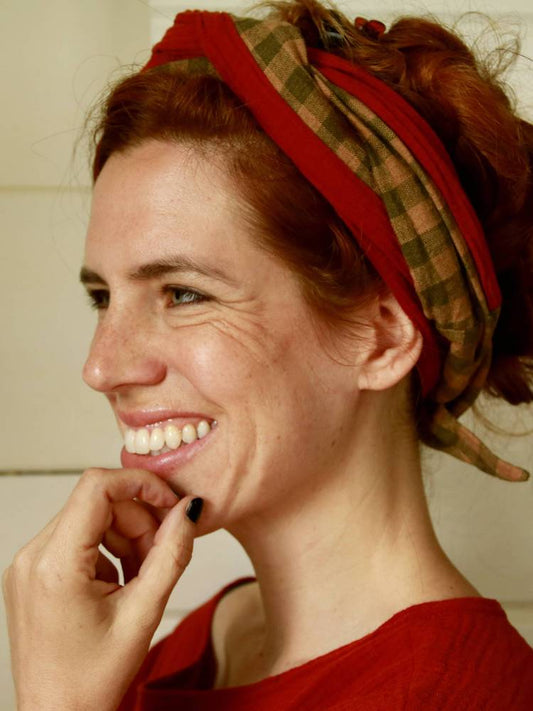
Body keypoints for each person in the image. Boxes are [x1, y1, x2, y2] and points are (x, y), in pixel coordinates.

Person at [3, 0, 533, 708]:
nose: (102, 367)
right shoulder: (200, 642)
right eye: (103, 296)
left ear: (382, 335)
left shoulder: (462, 694)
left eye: (183, 293)